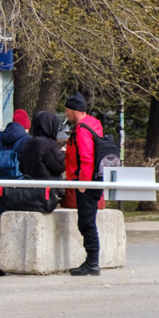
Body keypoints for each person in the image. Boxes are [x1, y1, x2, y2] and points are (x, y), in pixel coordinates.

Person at [62, 94, 105, 276]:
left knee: (87, 222)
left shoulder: (81, 130)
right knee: (87, 221)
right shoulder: (93, 124)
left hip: (87, 183)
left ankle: (92, 263)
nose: (66, 114)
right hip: (93, 180)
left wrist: (83, 184)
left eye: (66, 111)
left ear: (73, 110)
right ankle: (91, 261)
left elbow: (86, 158)